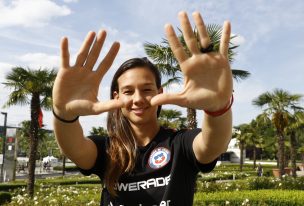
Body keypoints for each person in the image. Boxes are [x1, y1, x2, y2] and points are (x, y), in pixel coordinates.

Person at [53, 11, 233, 206]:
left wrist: (218, 108)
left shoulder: (180, 143)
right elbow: (74, 148)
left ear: (160, 92)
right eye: (128, 91)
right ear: (117, 97)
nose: (138, 99)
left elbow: (212, 145)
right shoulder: (107, 150)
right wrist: (64, 114)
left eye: (147, 89)